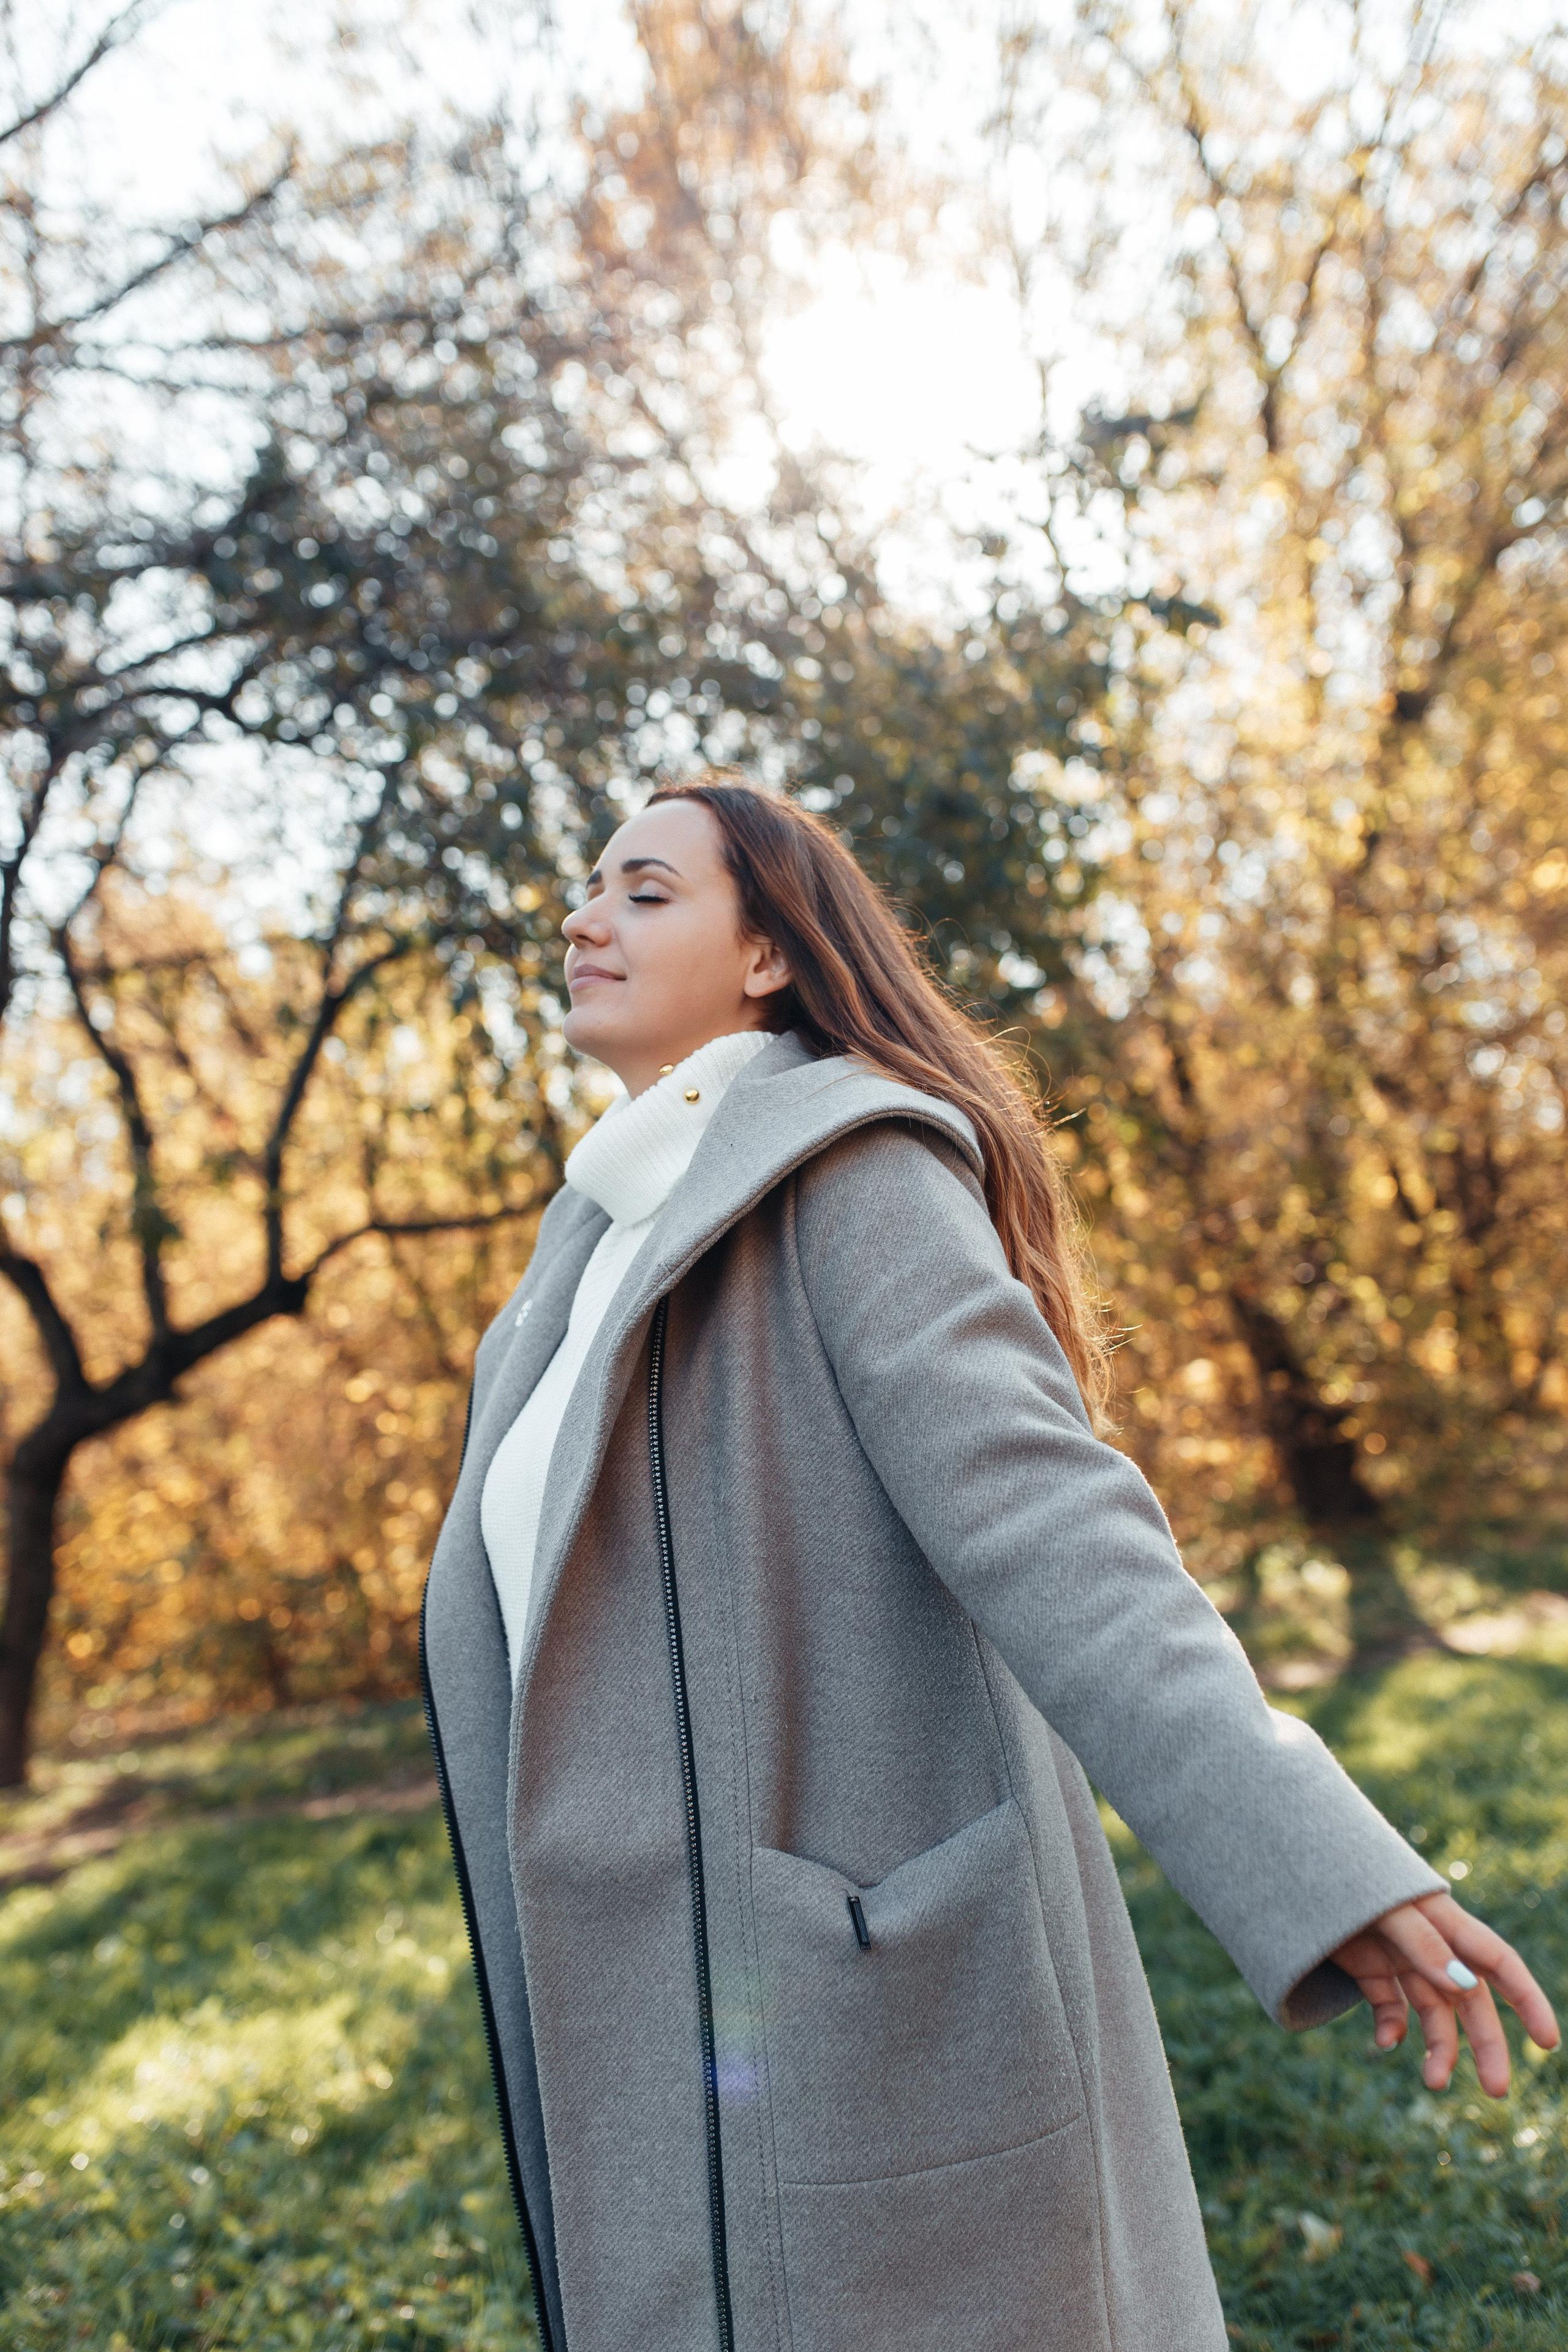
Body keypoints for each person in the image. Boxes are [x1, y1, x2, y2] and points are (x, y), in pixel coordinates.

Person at [421, 775, 1558, 2352]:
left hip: (840, 2020)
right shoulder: (580, 1259)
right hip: (631, 2034)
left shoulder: (850, 1177)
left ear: (767, 955)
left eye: (644, 889)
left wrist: (1314, 1858)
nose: (580, 915)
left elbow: (1053, 1521)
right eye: (586, 887)